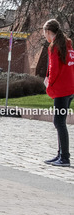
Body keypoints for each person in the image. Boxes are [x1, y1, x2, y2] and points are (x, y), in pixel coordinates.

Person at [43, 19, 74, 167]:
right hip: (70, 88)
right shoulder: (68, 45)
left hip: (62, 89)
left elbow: (53, 69)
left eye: (45, 33)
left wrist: (49, 84)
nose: (45, 37)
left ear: (48, 32)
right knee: (60, 121)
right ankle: (60, 155)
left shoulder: (55, 47)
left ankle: (65, 158)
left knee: (59, 122)